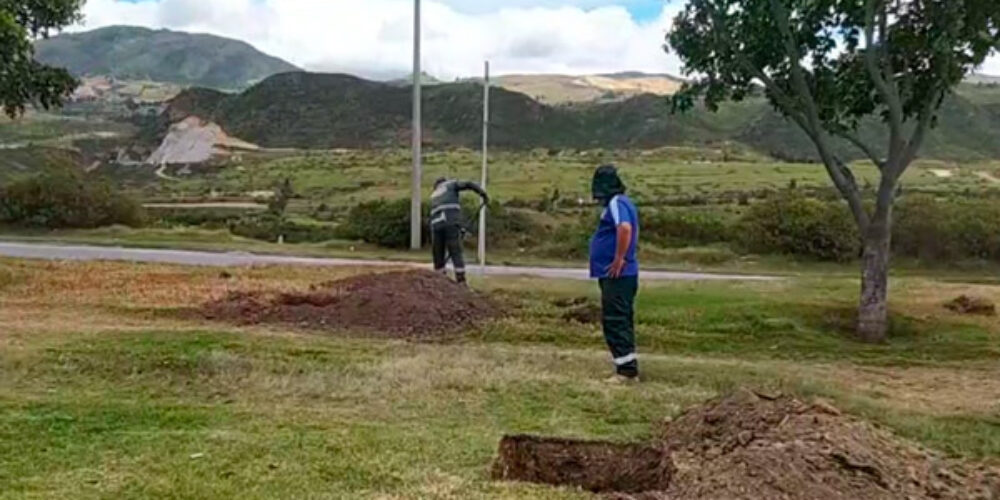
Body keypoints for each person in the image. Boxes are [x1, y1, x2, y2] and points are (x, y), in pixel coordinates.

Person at [589, 165, 640, 383]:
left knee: (615, 319)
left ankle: (626, 372)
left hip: (617, 273)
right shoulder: (621, 202)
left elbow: (625, 228)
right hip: (617, 273)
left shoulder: (617, 202)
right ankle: (626, 364)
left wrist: (619, 257)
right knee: (620, 319)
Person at [430, 177, 489, 284]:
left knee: (438, 253)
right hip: (450, 221)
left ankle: (439, 280)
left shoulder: (434, 194)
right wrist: (482, 193)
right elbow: (468, 183)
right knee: (455, 250)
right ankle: (461, 280)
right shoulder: (451, 184)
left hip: (435, 225)